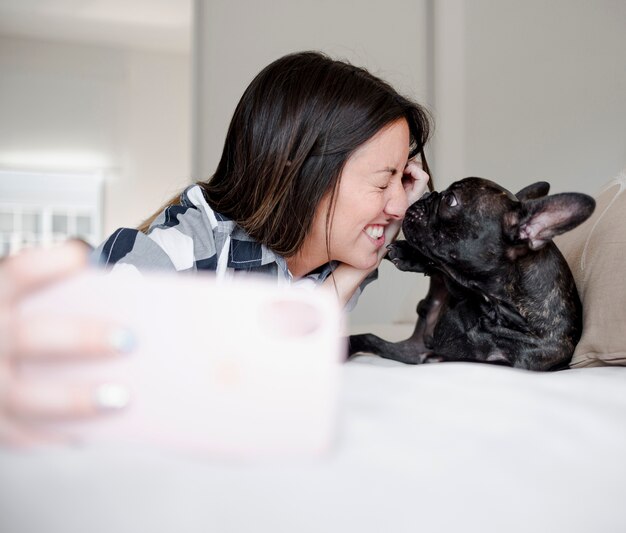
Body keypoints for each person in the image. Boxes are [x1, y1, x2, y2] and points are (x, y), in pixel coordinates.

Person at [1, 51, 432, 445]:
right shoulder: (181, 250)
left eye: (403, 180)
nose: (399, 204)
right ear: (306, 175)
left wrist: (368, 254)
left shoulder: (324, 264)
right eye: (383, 181)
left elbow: (283, 335)